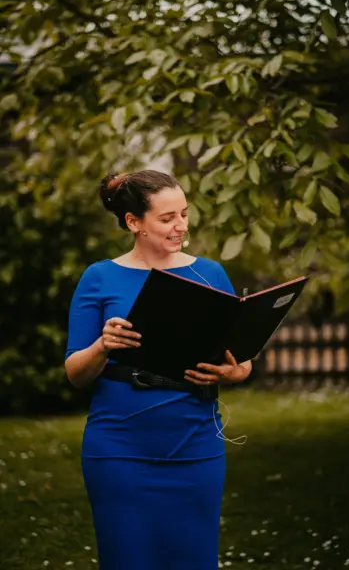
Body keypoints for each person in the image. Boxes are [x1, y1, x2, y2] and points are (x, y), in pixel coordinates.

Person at [65, 169, 252, 570]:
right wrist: (103, 345)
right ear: (133, 223)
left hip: (196, 444)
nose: (180, 226)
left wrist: (234, 374)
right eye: (167, 218)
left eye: (183, 214)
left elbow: (240, 359)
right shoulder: (99, 278)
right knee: (127, 559)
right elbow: (75, 373)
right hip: (118, 449)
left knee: (195, 560)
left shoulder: (211, 274)